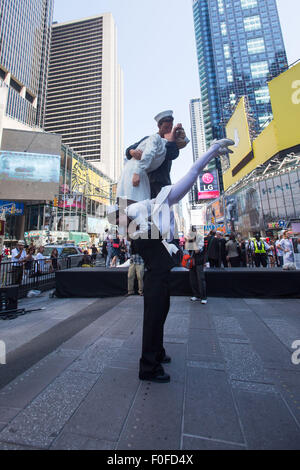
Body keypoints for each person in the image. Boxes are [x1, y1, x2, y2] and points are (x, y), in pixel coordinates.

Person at [107, 137, 234, 383]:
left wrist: (211, 151)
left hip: (160, 272)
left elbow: (193, 172)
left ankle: (158, 352)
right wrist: (140, 227)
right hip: (154, 274)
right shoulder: (148, 205)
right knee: (154, 315)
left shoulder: (159, 206)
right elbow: (114, 215)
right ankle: (149, 367)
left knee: (160, 312)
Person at [123, 110, 188, 200]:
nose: (168, 130)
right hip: (146, 181)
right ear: (159, 126)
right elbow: (129, 150)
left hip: (162, 183)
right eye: (166, 127)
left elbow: (172, 154)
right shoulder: (150, 139)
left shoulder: (171, 141)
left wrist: (172, 137)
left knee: (160, 209)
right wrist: (132, 151)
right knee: (137, 206)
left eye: (170, 127)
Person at [188, 229, 207, 304]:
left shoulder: (200, 239)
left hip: (199, 262)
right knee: (192, 279)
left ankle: (203, 297)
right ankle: (196, 294)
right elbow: (188, 250)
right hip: (192, 262)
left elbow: (197, 250)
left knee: (200, 279)